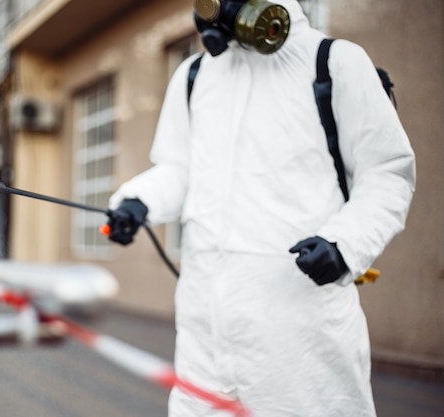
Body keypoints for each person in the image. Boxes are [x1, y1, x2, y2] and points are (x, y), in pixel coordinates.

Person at [105, 1, 416, 416]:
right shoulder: (195, 75)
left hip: (299, 342)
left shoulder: (333, 62)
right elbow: (179, 169)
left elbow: (387, 173)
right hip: (205, 334)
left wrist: (345, 245)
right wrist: (138, 201)